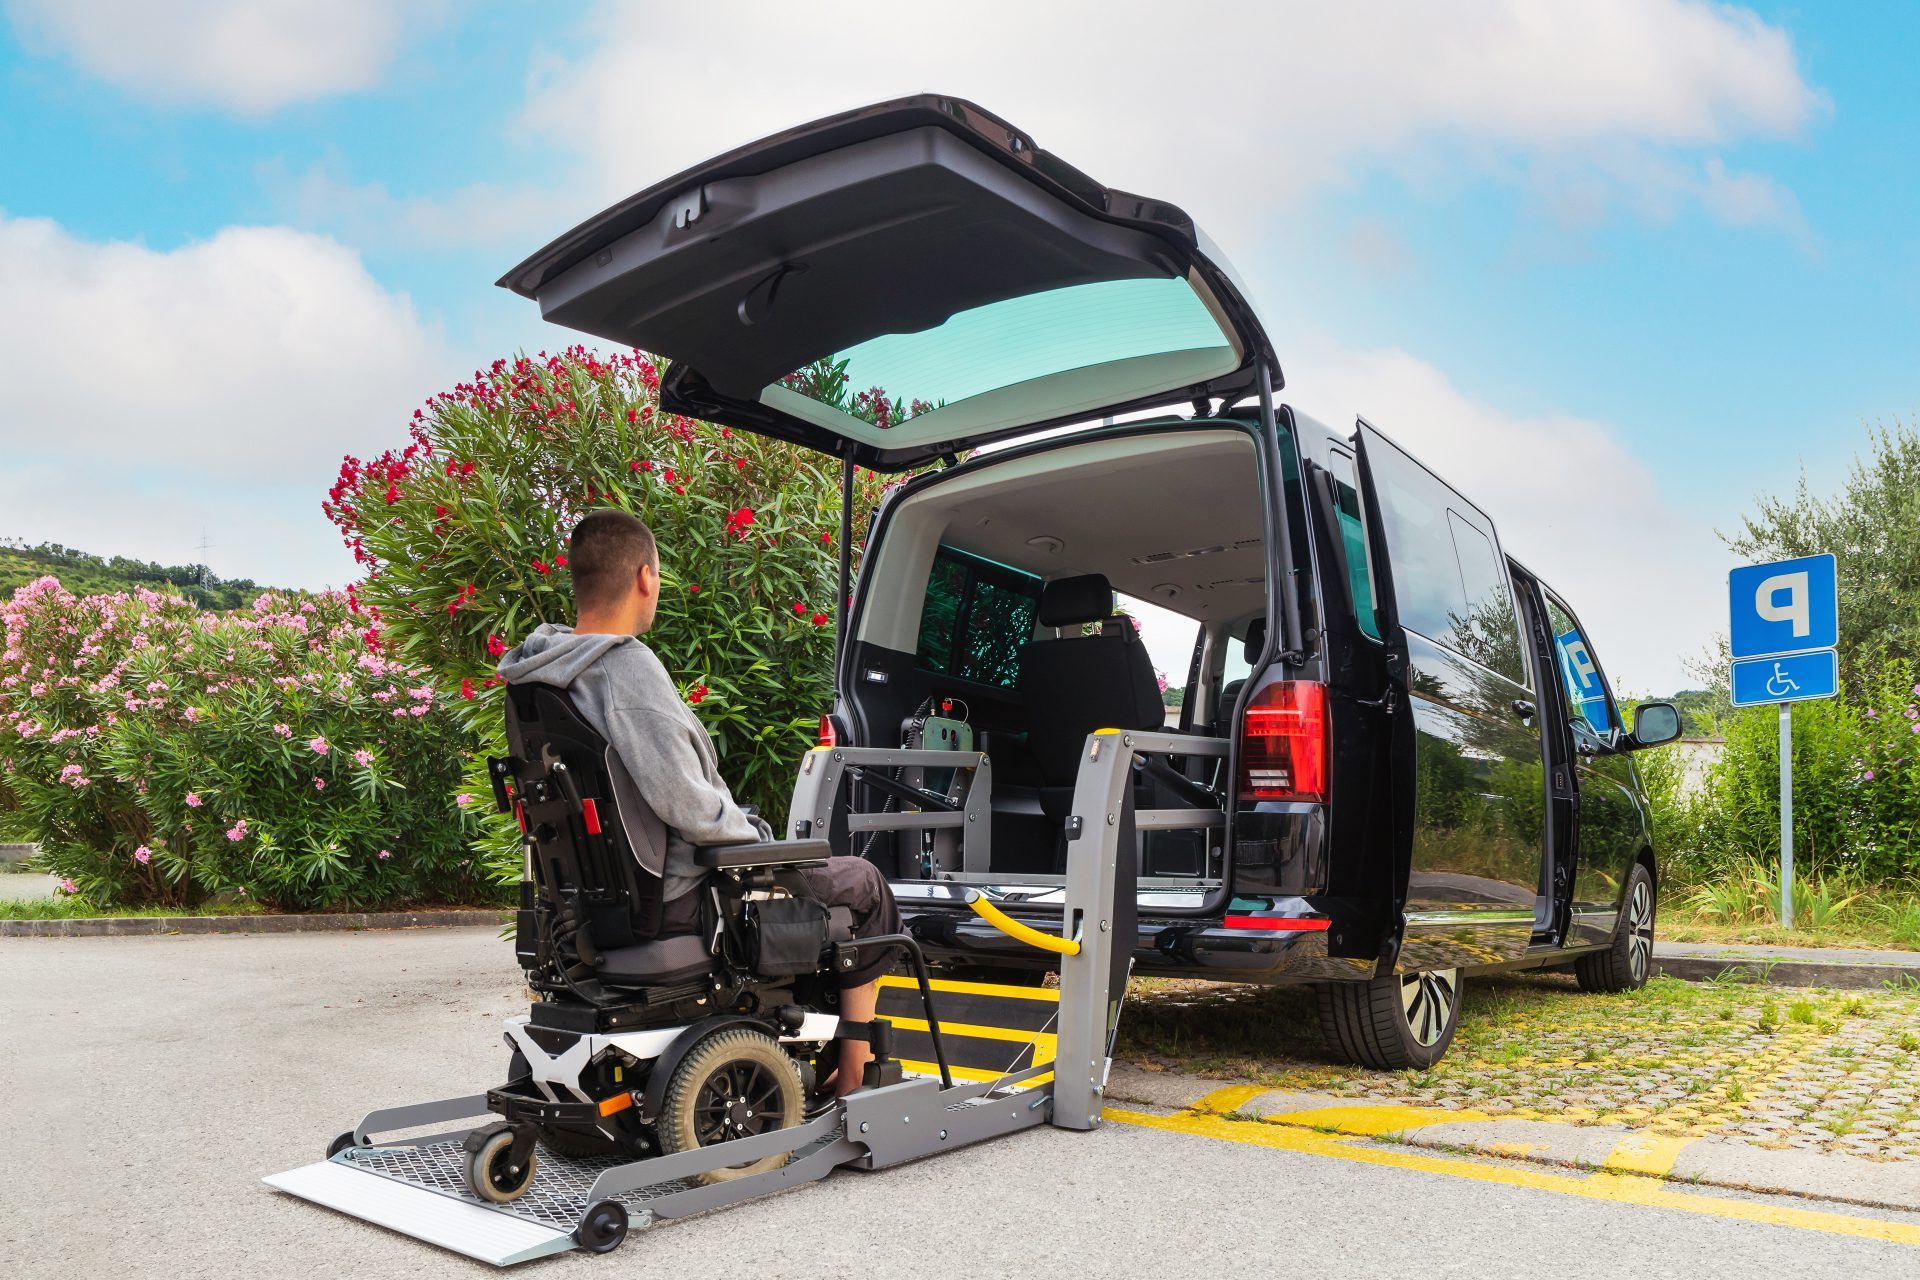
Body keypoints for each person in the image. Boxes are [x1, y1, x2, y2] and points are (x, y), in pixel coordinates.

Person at [496, 508, 901, 1096]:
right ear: (645, 577)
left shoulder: (538, 678)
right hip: (682, 896)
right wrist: (762, 848)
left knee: (820, 880)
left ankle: (821, 1047)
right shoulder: (624, 668)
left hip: (594, 906)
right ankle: (857, 1077)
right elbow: (689, 805)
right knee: (863, 885)